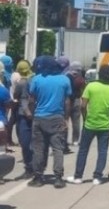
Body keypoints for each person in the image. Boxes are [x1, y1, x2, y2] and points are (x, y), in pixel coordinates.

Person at [66, 65, 109, 185]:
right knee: (102, 151)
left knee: (83, 150)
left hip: (90, 124)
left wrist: (85, 118)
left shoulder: (91, 86)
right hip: (105, 126)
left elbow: (83, 106)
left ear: (99, 74)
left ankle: (78, 176)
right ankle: (97, 177)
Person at [28, 56, 72, 188]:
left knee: (39, 149)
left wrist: (33, 114)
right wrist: (66, 118)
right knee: (58, 149)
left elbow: (31, 100)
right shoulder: (64, 79)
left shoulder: (37, 79)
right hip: (57, 117)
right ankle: (58, 178)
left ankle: (38, 177)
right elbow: (67, 101)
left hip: (40, 117)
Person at [12, 60, 35, 180]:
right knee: (35, 143)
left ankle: (29, 168)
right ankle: (36, 167)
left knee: (25, 143)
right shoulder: (35, 80)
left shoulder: (21, 83)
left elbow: (15, 96)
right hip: (36, 113)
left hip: (23, 115)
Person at [65, 61, 87, 150]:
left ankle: (65, 139)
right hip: (77, 100)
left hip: (67, 100)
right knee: (76, 122)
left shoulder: (67, 76)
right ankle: (75, 140)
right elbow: (83, 87)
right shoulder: (80, 76)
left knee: (65, 120)